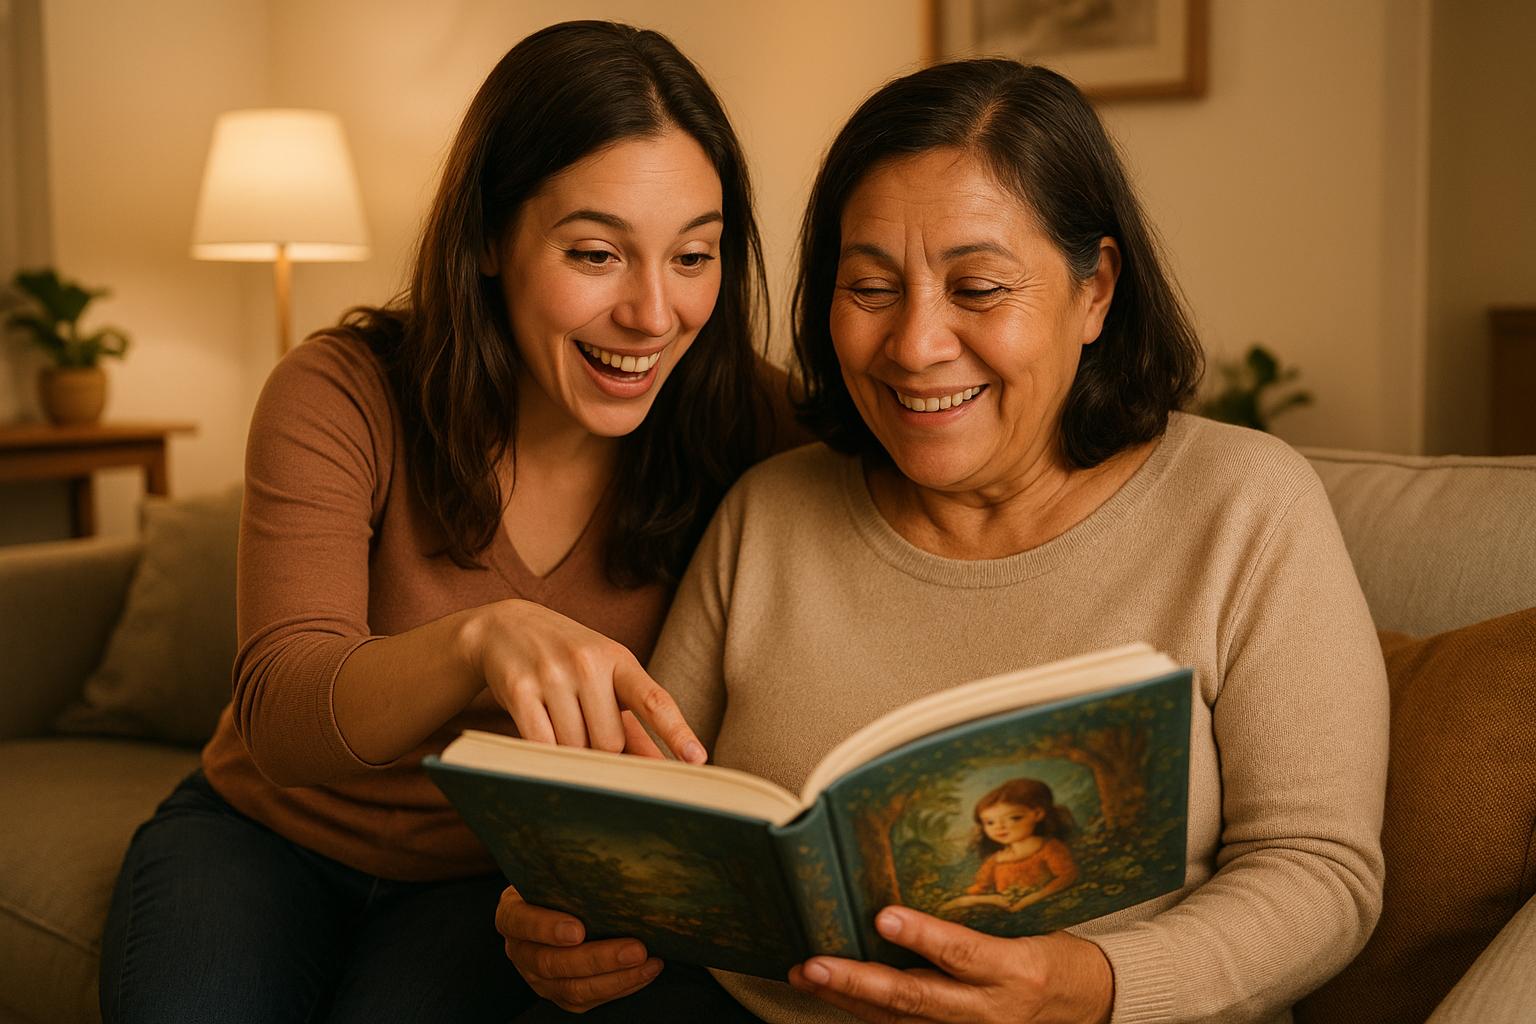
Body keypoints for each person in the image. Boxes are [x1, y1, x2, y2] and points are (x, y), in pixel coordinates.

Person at [500, 58, 1389, 1024]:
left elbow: (1323, 872)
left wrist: (1090, 985)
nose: (917, 344)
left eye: (978, 287)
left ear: (1096, 292)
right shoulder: (769, 510)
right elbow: (651, 824)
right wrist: (568, 913)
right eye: (871, 288)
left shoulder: (1244, 506)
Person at [99, 21, 792, 1024]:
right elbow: (283, 714)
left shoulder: (747, 422)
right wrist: (482, 639)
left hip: (489, 886)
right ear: (484, 240)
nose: (653, 312)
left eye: (693, 255)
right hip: (259, 835)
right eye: (596, 252)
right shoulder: (342, 392)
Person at [939, 777, 1079, 914]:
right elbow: (980, 887)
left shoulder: (1048, 848)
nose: (999, 827)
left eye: (1014, 818)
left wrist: (1032, 899)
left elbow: (1067, 876)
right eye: (990, 822)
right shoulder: (996, 860)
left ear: (1037, 814)